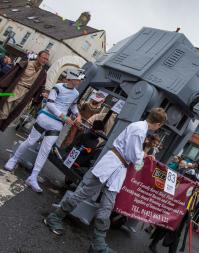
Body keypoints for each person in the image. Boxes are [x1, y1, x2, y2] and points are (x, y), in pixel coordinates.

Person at [44, 108, 167, 253]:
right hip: (114, 164)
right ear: (158, 124)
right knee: (86, 194)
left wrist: (143, 156)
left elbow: (133, 153)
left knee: (107, 204)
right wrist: (143, 158)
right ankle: (55, 217)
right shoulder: (139, 129)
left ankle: (98, 243)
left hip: (117, 166)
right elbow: (134, 156)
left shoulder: (139, 128)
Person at [4, 68, 85, 192]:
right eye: (78, 79)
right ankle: (14, 159)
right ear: (71, 78)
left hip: (57, 124)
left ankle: (33, 177)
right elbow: (50, 104)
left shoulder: (76, 93)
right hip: (45, 118)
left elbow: (73, 105)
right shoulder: (57, 87)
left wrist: (78, 115)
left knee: (45, 150)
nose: (80, 81)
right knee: (30, 141)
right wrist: (64, 116)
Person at [0, 50, 49, 131]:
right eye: (43, 58)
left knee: (11, 114)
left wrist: (43, 93)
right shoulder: (25, 63)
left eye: (47, 59)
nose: (45, 60)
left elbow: (41, 87)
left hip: (25, 96)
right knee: (3, 112)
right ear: (38, 57)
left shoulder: (43, 73)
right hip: (14, 91)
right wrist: (2, 89)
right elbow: (11, 75)